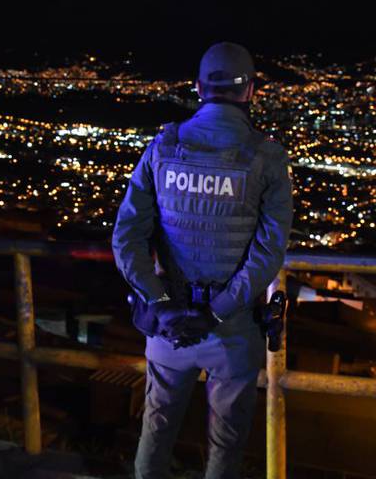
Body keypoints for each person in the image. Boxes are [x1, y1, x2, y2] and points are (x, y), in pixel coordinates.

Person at [112, 42, 293, 479]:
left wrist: (160, 304)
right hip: (232, 332)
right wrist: (216, 312)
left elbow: (126, 238)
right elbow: (268, 253)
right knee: (225, 446)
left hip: (169, 326)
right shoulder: (266, 157)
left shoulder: (163, 147)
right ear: (251, 90)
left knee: (156, 431)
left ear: (198, 87)